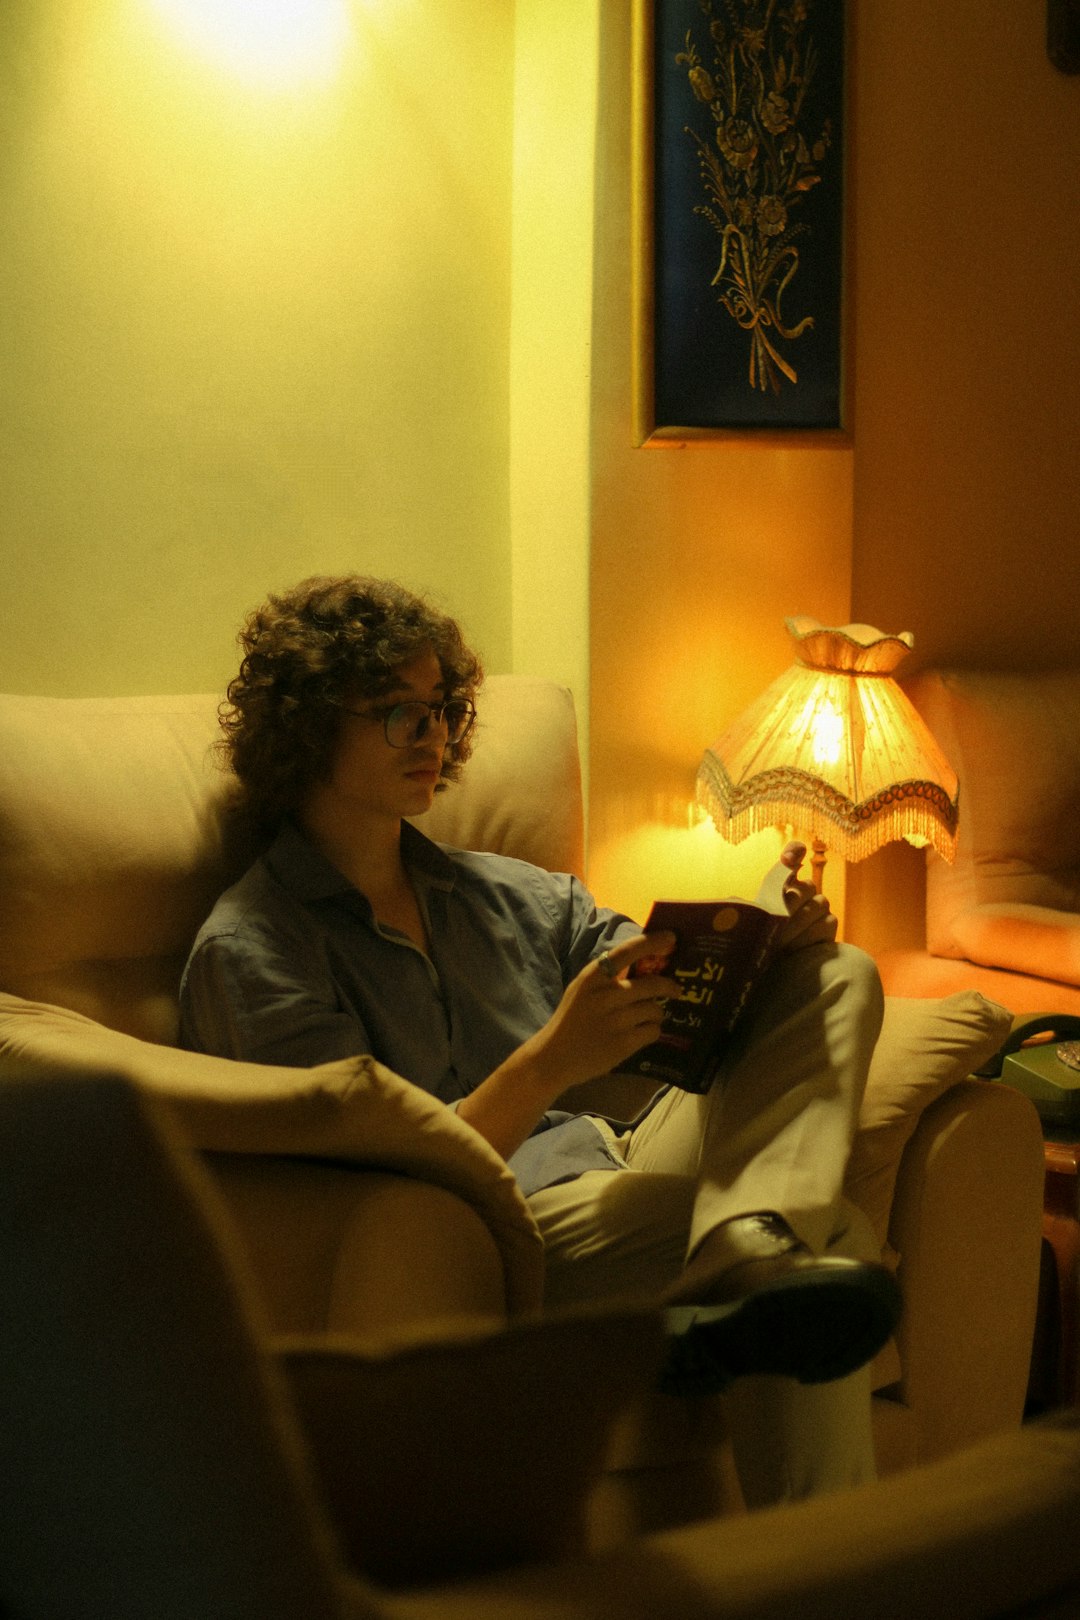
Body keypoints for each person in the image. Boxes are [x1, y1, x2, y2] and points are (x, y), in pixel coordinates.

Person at [179, 574, 899, 1507]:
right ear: (310, 728)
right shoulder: (256, 949)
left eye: (442, 708)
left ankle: (746, 1246)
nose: (434, 736)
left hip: (618, 1150)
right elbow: (377, 1190)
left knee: (838, 973)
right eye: (399, 713)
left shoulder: (512, 894)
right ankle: (824, 1560)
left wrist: (760, 946)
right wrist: (555, 1059)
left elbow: (673, 997)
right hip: (482, 1226)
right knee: (831, 1240)